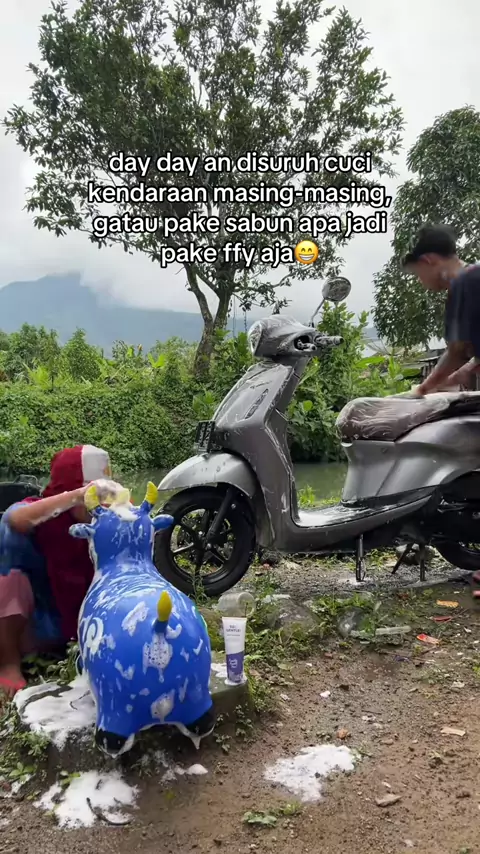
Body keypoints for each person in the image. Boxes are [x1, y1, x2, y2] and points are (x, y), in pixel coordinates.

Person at [0, 445, 113, 697]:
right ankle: (8, 663)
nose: (101, 504)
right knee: (7, 548)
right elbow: (13, 520)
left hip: (75, 624)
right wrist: (77, 496)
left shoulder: (107, 519)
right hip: (39, 620)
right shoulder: (41, 513)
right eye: (95, 495)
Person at [402, 224, 480, 395]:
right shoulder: (470, 279)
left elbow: (456, 353)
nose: (420, 280)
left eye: (418, 273)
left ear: (427, 261)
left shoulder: (465, 284)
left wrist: (421, 390)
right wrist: (453, 378)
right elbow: (465, 353)